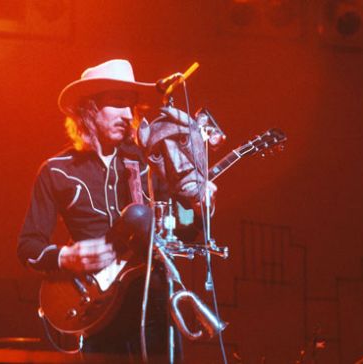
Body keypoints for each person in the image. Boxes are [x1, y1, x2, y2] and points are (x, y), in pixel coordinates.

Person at [17, 59, 216, 361]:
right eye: (117, 104)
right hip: (96, 305)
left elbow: (180, 227)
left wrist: (199, 208)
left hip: (152, 296)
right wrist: (65, 257)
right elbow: (28, 246)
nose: (128, 115)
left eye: (130, 106)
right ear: (90, 109)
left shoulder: (149, 162)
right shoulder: (56, 171)